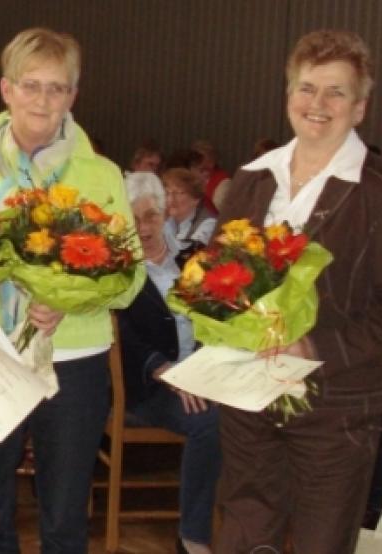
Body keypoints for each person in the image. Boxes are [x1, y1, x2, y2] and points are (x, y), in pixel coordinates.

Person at [0, 28, 145, 553]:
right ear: (6, 89)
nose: (43, 99)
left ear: (73, 96)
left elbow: (130, 277)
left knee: (63, 519)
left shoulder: (101, 176)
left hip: (75, 358)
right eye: (31, 85)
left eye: (57, 88)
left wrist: (73, 299)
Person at [213, 29, 382, 553]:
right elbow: (217, 279)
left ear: (359, 108)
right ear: (289, 95)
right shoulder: (250, 181)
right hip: (247, 398)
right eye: (308, 88)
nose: (319, 104)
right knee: (243, 541)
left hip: (336, 411)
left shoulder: (379, 194)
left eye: (336, 92)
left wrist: (312, 346)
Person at [119, 171, 220, 554]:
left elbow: (217, 318)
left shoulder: (190, 259)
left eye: (152, 216)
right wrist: (166, 370)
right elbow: (123, 335)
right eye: (134, 218)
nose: (144, 227)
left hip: (202, 374)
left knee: (254, 411)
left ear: (167, 215)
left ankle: (245, 519)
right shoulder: (116, 270)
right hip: (148, 385)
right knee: (208, 422)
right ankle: (194, 536)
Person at [162, 167, 216, 266]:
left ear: (195, 199)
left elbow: (188, 256)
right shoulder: (167, 221)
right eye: (167, 193)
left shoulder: (208, 223)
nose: (171, 199)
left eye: (178, 193)